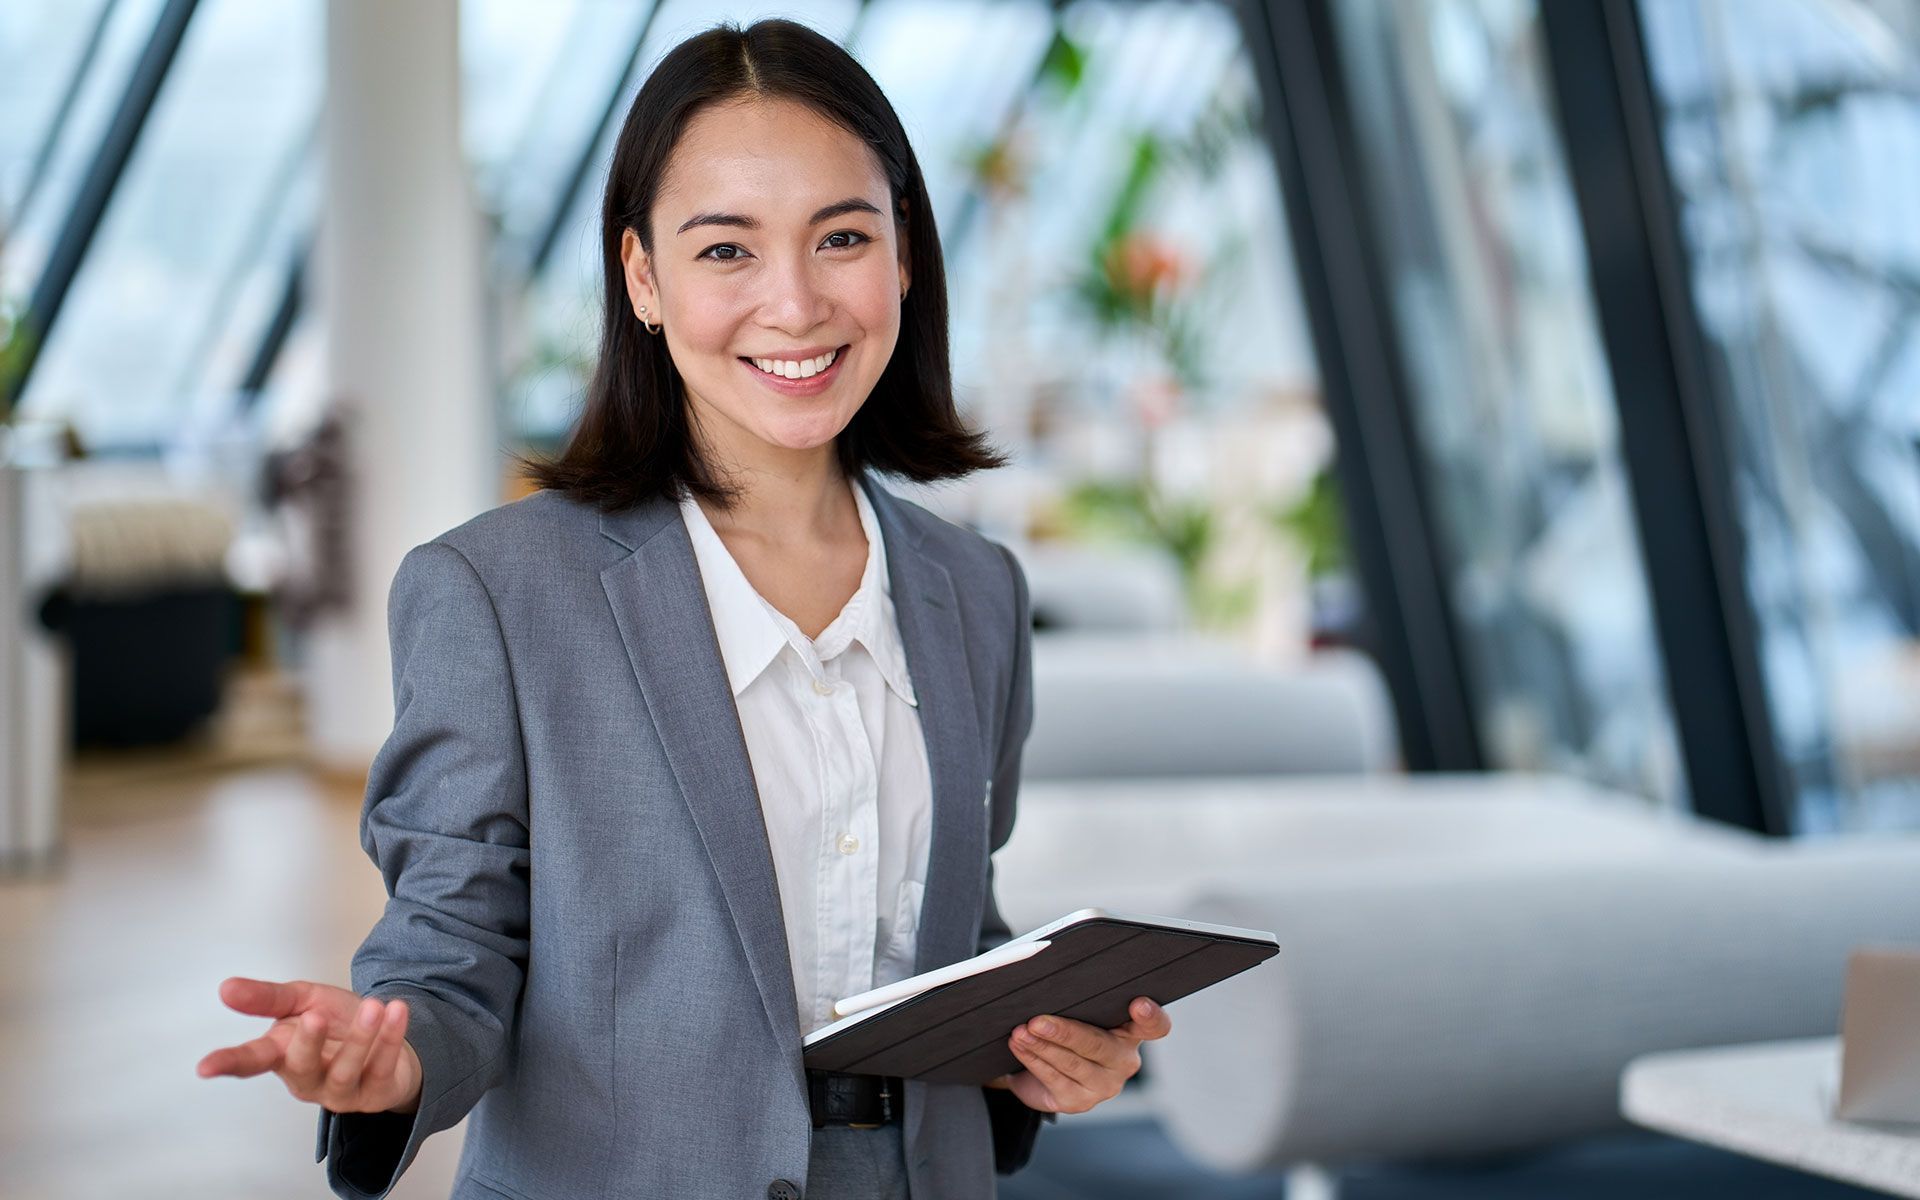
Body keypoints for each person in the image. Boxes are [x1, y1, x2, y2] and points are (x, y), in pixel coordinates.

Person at [196, 18, 1172, 1200]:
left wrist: (1042, 1050)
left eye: (843, 237)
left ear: (905, 256)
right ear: (643, 279)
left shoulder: (974, 592)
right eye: (726, 252)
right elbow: (453, 961)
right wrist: (390, 1060)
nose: (797, 303)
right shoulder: (498, 596)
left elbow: (948, 930)